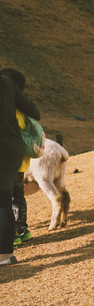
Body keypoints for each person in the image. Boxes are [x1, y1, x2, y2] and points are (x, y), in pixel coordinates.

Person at [1, 68, 39, 266]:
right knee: (8, 199)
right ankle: (6, 252)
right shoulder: (7, 83)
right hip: (14, 152)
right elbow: (35, 112)